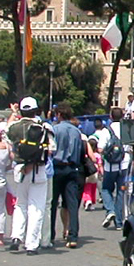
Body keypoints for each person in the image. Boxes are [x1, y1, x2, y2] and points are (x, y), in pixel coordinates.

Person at [7, 96, 54, 256]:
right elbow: (52, 149)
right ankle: (31, 244)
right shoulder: (44, 126)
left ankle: (16, 237)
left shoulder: (13, 127)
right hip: (38, 170)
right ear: (35, 110)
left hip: (19, 170)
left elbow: (10, 148)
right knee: (36, 208)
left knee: (20, 205)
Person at [48, 104, 85, 249]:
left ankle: (50, 235)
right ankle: (73, 236)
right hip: (72, 167)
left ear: (59, 114)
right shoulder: (77, 132)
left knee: (52, 203)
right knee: (72, 204)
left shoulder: (55, 129)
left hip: (57, 167)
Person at [100, 108, 127, 230]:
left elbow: (100, 148)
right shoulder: (128, 129)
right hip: (124, 165)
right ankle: (119, 222)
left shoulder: (106, 131)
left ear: (110, 116)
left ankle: (110, 210)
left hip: (110, 166)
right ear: (122, 116)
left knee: (106, 189)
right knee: (121, 192)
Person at [81, 136, 101, 211]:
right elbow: (99, 164)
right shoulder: (97, 155)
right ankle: (92, 202)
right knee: (93, 188)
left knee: (86, 188)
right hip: (95, 172)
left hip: (87, 172)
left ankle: (87, 200)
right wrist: (101, 172)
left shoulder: (86, 155)